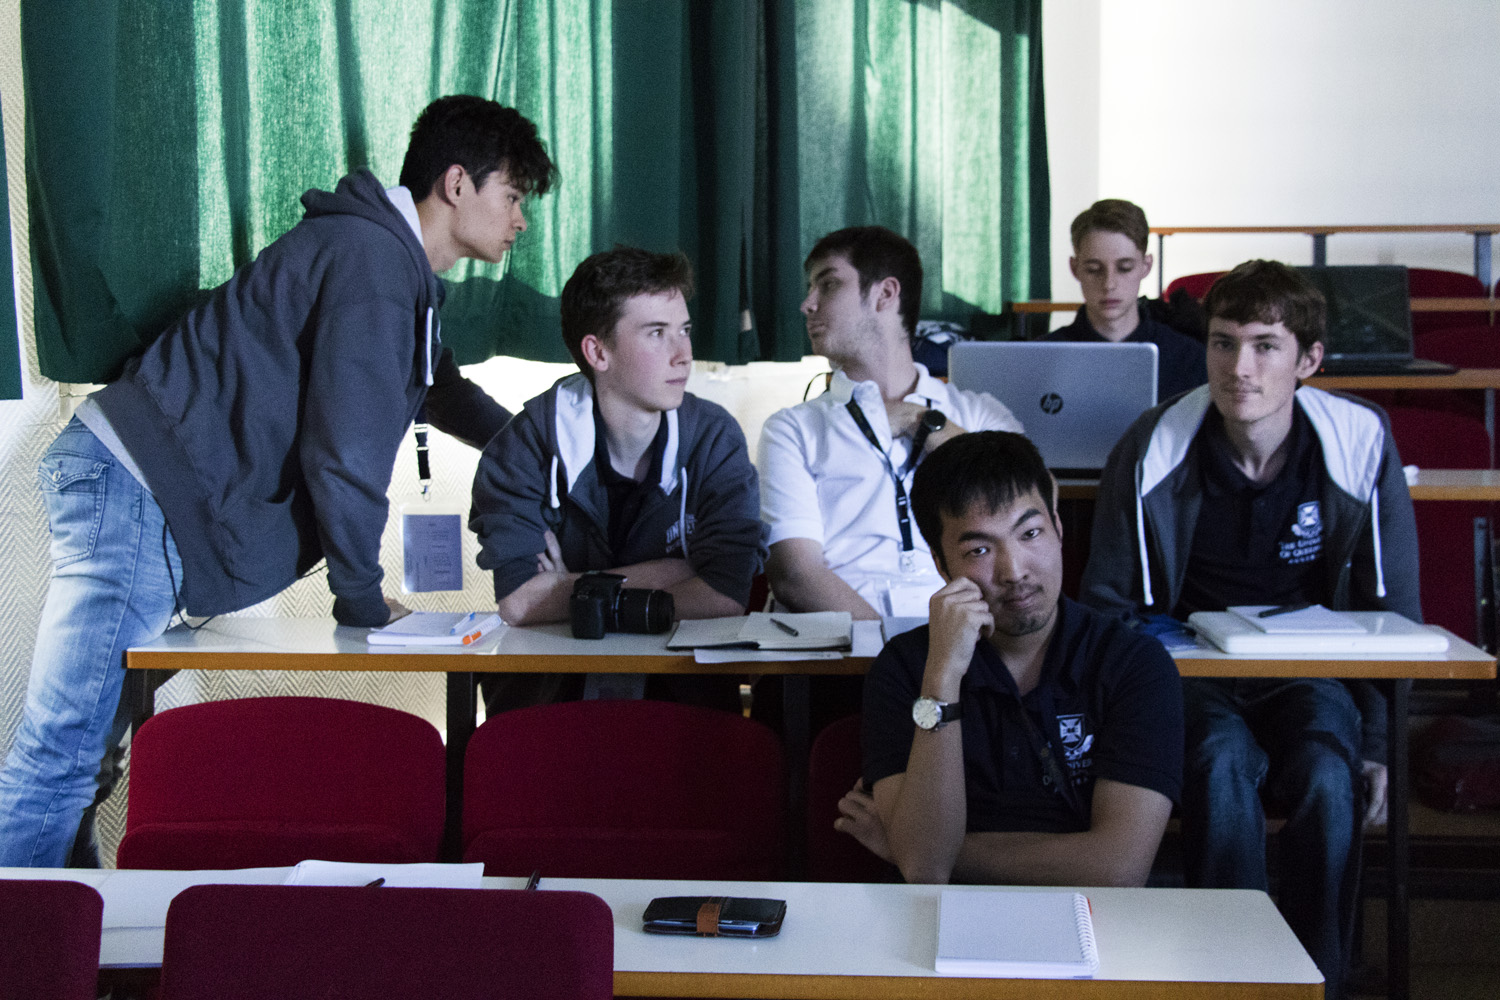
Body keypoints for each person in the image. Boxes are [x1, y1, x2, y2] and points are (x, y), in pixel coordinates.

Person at [0, 95, 557, 868]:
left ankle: (70, 933)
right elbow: (344, 450)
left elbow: (442, 389)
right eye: (514, 196)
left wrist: (544, 448)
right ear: (457, 184)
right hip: (134, 487)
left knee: (83, 764)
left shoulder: (391, 267)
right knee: (61, 760)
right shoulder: (373, 263)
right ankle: (32, 938)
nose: (521, 220)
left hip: (138, 488)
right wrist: (362, 597)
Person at [1079, 259, 1418, 999]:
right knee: (1219, 763)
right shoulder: (1153, 443)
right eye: (1224, 343)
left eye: (1266, 346)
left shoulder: (1359, 439)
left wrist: (1377, 742)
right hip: (1191, 672)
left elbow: (1392, 612)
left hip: (1309, 671)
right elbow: (1107, 606)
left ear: (1309, 360)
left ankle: (1320, 978)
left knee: (1329, 776)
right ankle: (1232, 978)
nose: (1240, 368)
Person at [837, 431, 1182, 887]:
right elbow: (925, 871)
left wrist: (916, 847)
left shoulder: (1134, 664)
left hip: (1089, 918)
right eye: (979, 550)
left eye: (1030, 533)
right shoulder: (905, 667)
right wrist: (943, 677)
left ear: (1058, 528)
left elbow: (1118, 869)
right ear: (941, 565)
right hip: (941, 918)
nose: (1014, 570)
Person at [470, 246, 766, 709]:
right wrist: (677, 572)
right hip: (548, 702)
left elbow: (725, 595)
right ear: (598, 351)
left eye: (685, 331)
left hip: (684, 704)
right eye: (657, 333)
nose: (684, 355)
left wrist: (569, 586)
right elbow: (520, 603)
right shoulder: (524, 446)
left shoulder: (714, 437)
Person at [759, 226, 1023, 622]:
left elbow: (1034, 508)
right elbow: (796, 575)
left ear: (885, 294)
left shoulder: (978, 414)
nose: (807, 304)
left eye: (828, 285)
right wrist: (888, 648)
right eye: (810, 289)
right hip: (843, 644)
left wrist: (927, 423)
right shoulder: (793, 429)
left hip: (965, 634)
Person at [1045, 198, 1206, 401]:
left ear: (1146, 266)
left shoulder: (1189, 358)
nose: (1109, 284)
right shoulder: (1042, 358)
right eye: (1094, 269)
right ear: (1074, 268)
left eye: (1124, 268)